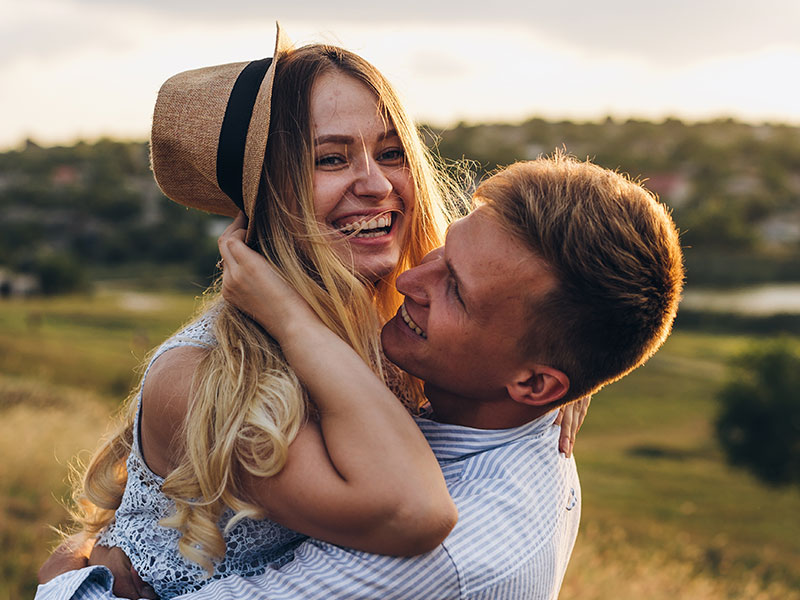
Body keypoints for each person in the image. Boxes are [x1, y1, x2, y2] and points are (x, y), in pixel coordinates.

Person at [35, 24, 585, 599]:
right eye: (330, 159)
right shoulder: (209, 378)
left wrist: (558, 368)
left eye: (391, 152)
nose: (375, 183)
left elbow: (528, 329)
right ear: (269, 195)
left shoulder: (397, 327)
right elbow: (409, 512)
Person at [37, 154, 684, 599]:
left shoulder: (438, 559)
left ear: (537, 386)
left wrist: (70, 569)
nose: (409, 280)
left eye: (455, 291)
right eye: (445, 250)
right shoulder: (519, 409)